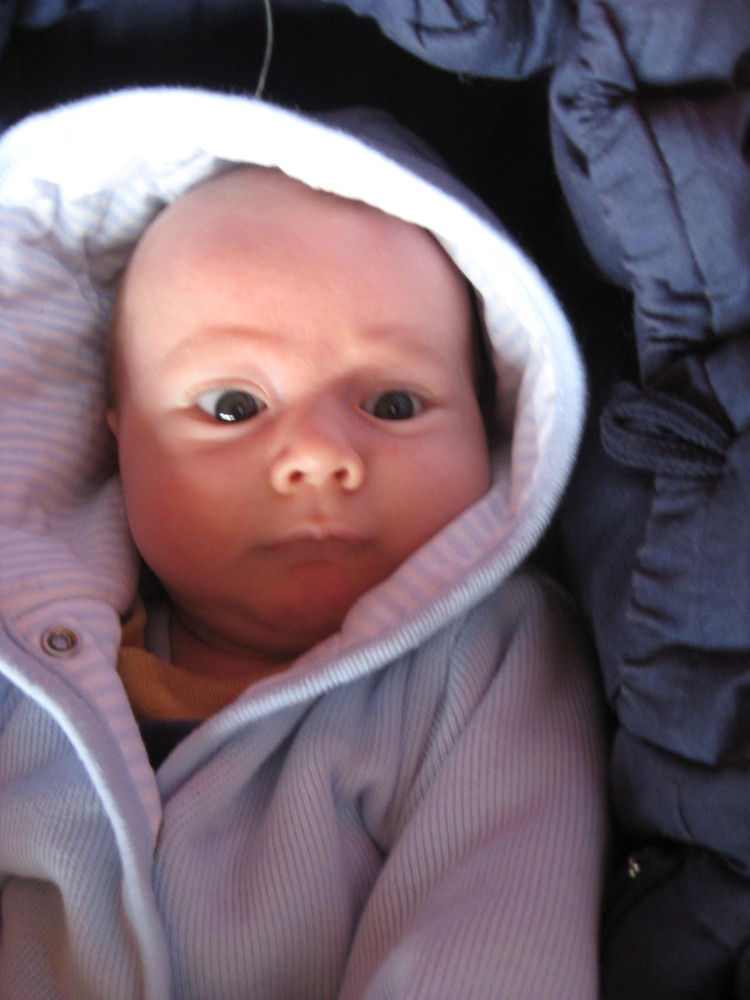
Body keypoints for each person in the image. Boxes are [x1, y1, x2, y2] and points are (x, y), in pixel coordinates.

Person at [0, 88, 606, 999]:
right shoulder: (23, 654)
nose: (320, 456)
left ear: (488, 424)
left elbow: (493, 932)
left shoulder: (489, 658)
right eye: (232, 406)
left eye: (394, 403)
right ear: (112, 432)